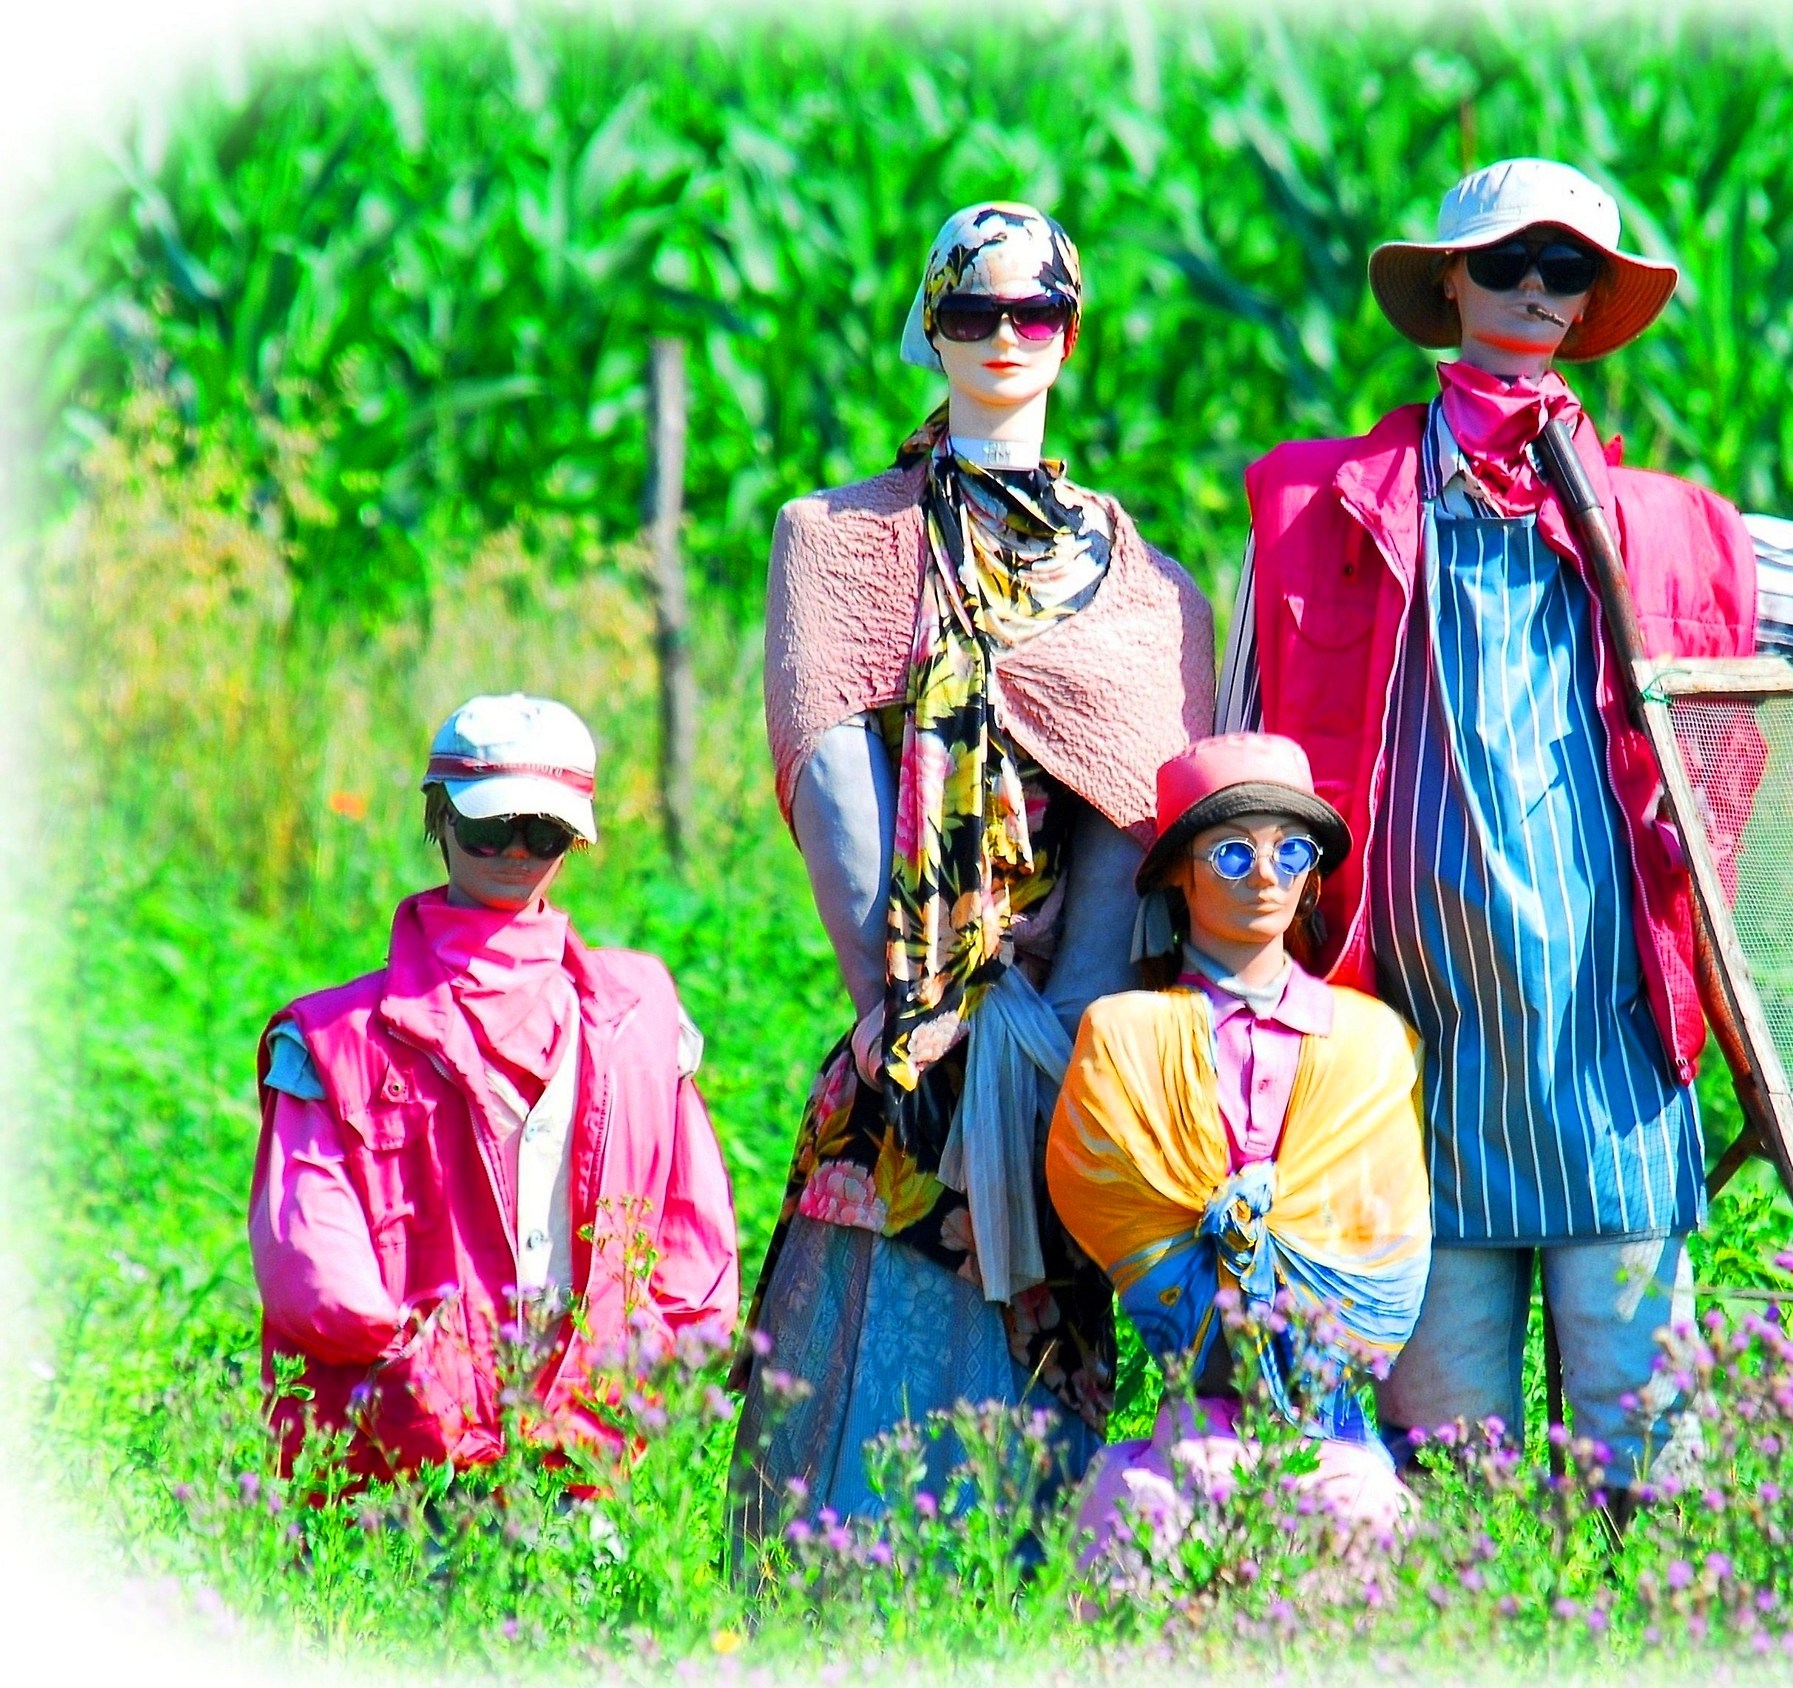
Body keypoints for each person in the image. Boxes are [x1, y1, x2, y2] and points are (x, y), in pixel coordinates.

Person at [1216, 157, 1793, 1487]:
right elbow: (1239, 771)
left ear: (1592, 303)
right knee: (1448, 1462)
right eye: (1509, 262)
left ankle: (1642, 1594)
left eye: (1567, 269)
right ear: (1451, 281)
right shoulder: (1324, 510)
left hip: (1613, 1064)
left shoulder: (1663, 530)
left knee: (1647, 1453)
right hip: (1403, 1062)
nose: (1536, 290)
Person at [729, 202, 1216, 1537]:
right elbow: (829, 771)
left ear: (1072, 333)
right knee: (871, 1394)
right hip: (906, 1039)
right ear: (931, 328)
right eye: (974, 310)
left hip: (1068, 1046)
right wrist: (901, 1014)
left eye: (1036, 311)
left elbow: (1134, 820)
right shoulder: (840, 541)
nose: (1007, 336)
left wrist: (1071, 1045)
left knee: (1039, 1402)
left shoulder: (1149, 590)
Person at [248, 693, 740, 1478]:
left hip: (595, 1454)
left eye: (542, 832)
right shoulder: (332, 1040)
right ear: (439, 819)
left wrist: (650, 1369)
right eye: (489, 826)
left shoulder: (643, 1018)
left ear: (575, 840)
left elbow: (694, 1237)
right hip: (399, 1461)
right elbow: (309, 1260)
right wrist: (421, 1380)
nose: (514, 850)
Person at [1046, 733, 1429, 1561]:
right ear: (1178, 874)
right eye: (1231, 852)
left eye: (1290, 852)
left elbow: (1385, 1252)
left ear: (1313, 877)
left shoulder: (1374, 1045)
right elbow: (1107, 1202)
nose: (1265, 874)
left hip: (1330, 1421)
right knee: (1142, 1514)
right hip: (1190, 1411)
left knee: (1359, 1516)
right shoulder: (1122, 1039)